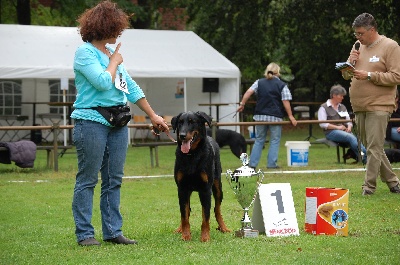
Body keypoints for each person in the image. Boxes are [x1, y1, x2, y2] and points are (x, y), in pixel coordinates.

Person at [71, 0, 169, 246]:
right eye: (116, 28)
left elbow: (130, 88)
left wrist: (153, 115)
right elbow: (103, 82)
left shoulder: (108, 54)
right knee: (88, 179)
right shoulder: (85, 53)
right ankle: (85, 234)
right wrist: (114, 61)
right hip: (90, 121)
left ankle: (113, 232)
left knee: (113, 179)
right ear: (104, 27)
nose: (119, 33)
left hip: (117, 122)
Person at [341, 13, 400, 195]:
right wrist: (349, 64)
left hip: (380, 105)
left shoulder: (390, 46)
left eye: (360, 33)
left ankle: (369, 187)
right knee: (374, 148)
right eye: (356, 34)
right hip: (360, 105)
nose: (358, 37)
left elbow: (396, 76)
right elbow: (345, 76)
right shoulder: (358, 46)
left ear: (372, 30)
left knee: (374, 148)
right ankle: (393, 183)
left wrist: (369, 75)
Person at [237, 62, 297, 169]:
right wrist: (291, 116)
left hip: (260, 116)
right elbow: (285, 101)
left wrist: (242, 104)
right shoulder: (282, 85)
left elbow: (248, 92)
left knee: (259, 140)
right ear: (278, 72)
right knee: (275, 140)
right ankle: (271, 164)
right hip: (275, 116)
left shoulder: (259, 82)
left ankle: (252, 164)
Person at [318, 84, 367, 164]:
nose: (343, 98)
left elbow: (348, 121)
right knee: (351, 138)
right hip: (331, 132)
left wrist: (349, 127)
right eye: (341, 96)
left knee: (354, 139)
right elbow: (322, 124)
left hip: (345, 131)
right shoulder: (323, 107)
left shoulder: (342, 107)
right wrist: (337, 128)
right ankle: (367, 156)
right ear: (334, 95)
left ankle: (362, 158)